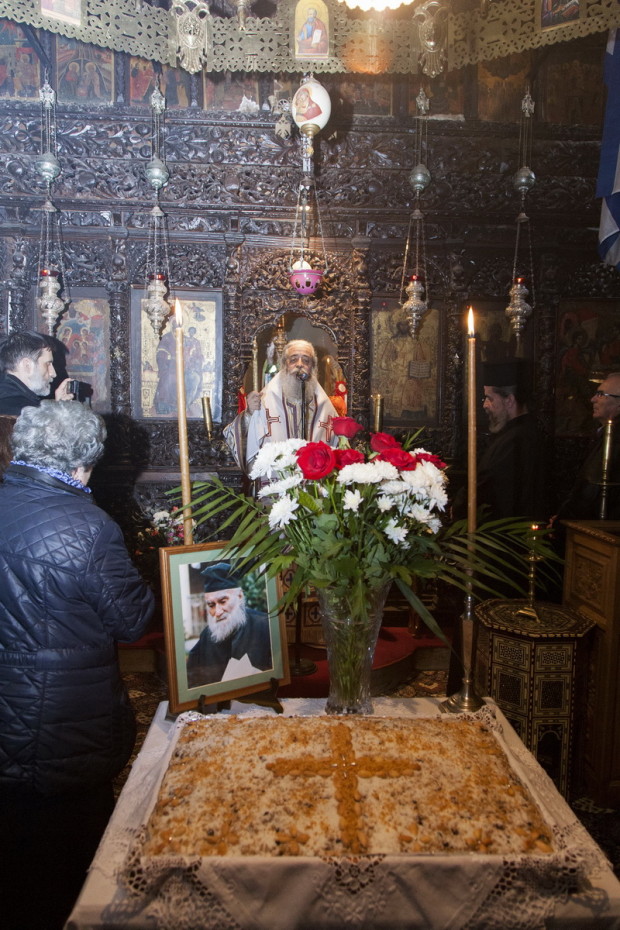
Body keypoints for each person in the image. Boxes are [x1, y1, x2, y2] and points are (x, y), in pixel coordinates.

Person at [0, 400, 154, 930]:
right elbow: (132, 621)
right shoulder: (89, 528)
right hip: (62, 725)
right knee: (68, 865)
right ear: (84, 463)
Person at [224, 338, 338, 475]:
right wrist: (249, 414)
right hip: (275, 481)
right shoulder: (264, 400)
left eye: (306, 360)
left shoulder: (324, 406)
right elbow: (234, 438)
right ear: (284, 365)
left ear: (313, 367)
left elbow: (339, 447)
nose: (299, 364)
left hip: (314, 483)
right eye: (293, 359)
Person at [454, 360, 549, 523]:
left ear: (509, 400)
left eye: (489, 398)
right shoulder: (515, 433)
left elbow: (489, 487)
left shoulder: (517, 439)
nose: (485, 405)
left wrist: (458, 507)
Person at [186, 561, 272, 687]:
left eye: (223, 601)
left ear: (240, 596)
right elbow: (192, 679)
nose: (218, 612)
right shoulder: (206, 636)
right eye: (211, 605)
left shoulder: (265, 625)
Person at [554, 371, 620, 522]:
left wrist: (564, 521)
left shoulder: (615, 439)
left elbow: (591, 489)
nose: (592, 399)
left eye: (601, 394)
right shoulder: (604, 433)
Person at [0, 330, 73, 415]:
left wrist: (59, 406)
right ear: (27, 365)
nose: (53, 374)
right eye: (48, 364)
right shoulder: (27, 412)